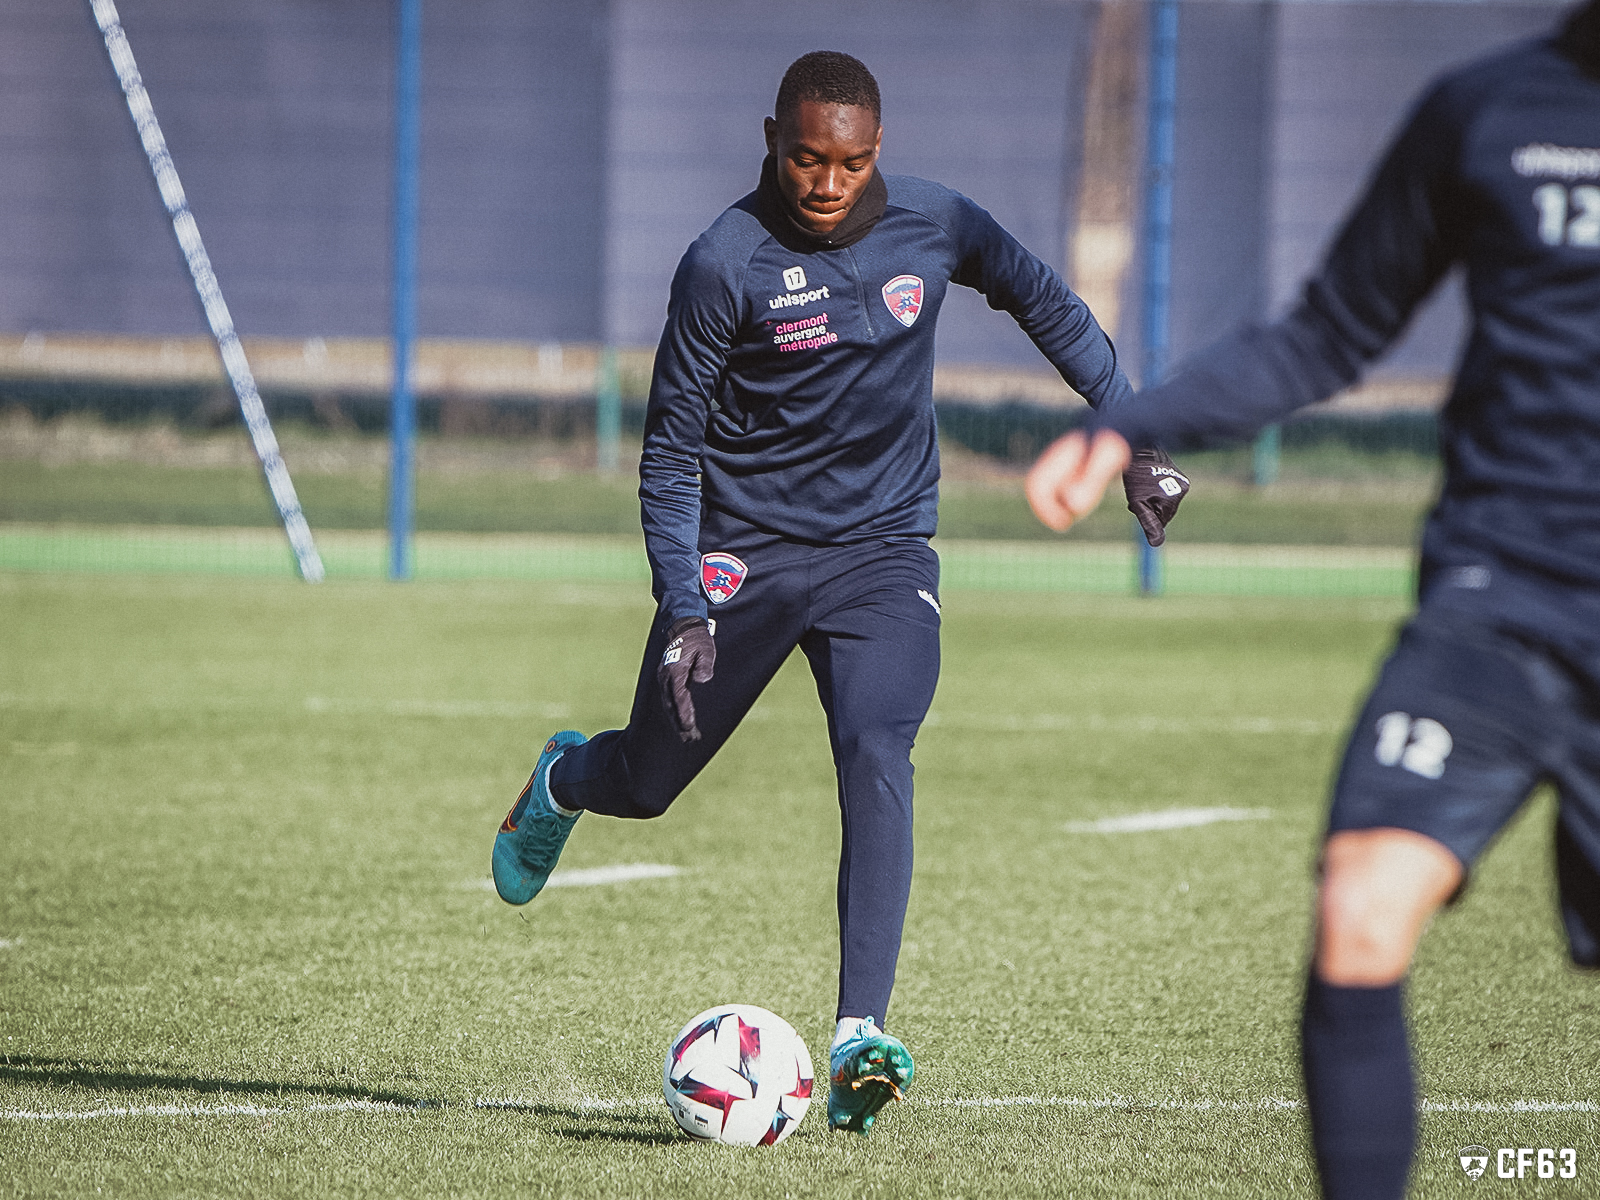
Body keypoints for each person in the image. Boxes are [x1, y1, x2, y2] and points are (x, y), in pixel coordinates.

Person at [491, 50, 1187, 1135]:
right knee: (648, 781)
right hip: (745, 553)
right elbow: (670, 454)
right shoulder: (723, 262)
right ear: (770, 139)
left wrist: (1126, 430)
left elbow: (1042, 300)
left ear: (878, 154)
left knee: (877, 747)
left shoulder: (936, 222)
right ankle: (564, 780)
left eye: (850, 163)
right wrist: (683, 607)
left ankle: (860, 1031)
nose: (826, 184)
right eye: (807, 158)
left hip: (882, 552)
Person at [1025, 4, 1600, 1195]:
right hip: (1499, 602)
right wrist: (1134, 422)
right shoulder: (1486, 109)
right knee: (1358, 912)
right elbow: (1329, 332)